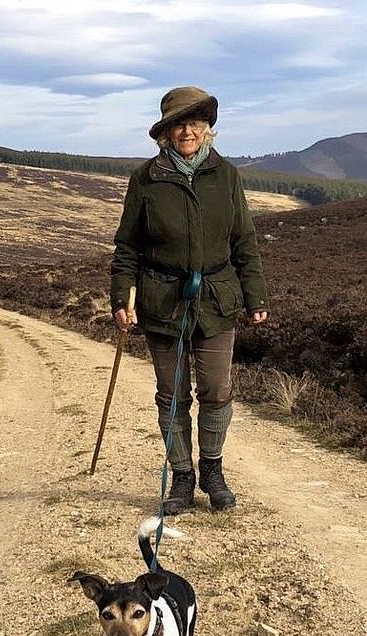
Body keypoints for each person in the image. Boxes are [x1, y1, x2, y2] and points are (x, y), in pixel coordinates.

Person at [110, 86, 269, 515]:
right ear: (166, 132)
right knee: (172, 393)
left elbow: (244, 241)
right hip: (163, 301)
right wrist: (121, 298)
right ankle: (182, 477)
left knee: (217, 389)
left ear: (207, 129)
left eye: (195, 122)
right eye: (179, 123)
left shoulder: (227, 175)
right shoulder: (145, 178)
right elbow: (127, 246)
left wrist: (255, 295)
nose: (187, 130)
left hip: (217, 301)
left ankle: (212, 470)